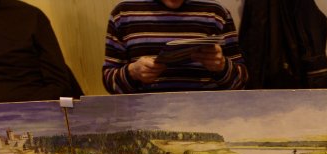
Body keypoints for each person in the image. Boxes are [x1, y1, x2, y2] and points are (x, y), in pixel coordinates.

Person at [103, 0, 248, 94]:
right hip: (144, 116)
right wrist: (132, 73)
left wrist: (222, 67)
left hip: (206, 115)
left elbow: (241, 82)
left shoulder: (217, 13)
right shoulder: (122, 14)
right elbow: (109, 82)